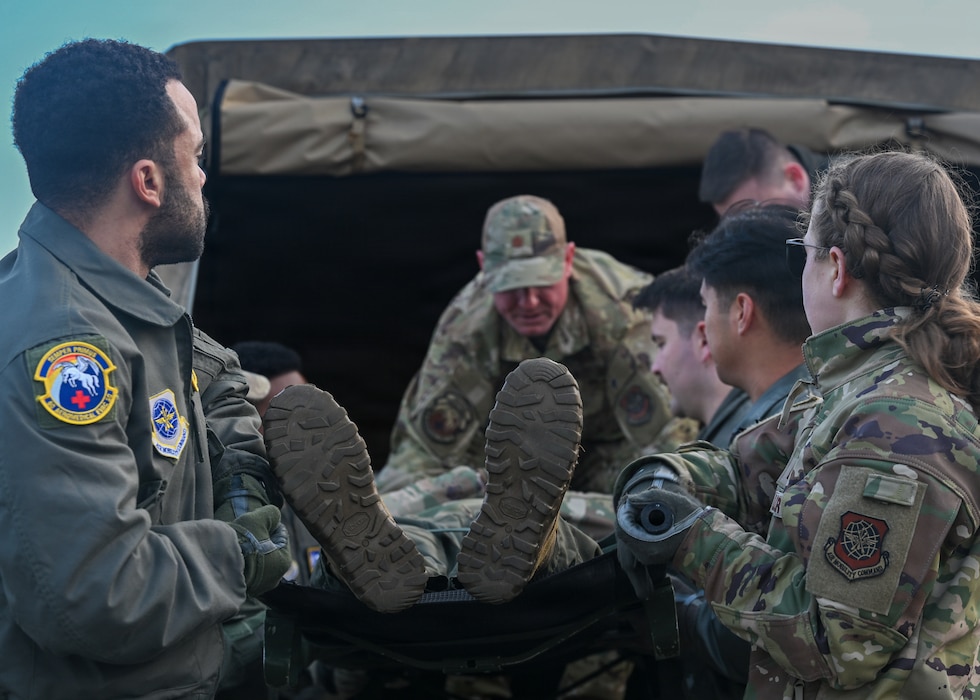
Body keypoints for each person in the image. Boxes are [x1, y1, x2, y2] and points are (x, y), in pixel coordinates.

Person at [617, 150, 980, 697]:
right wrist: (666, 479)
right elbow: (753, 472)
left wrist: (690, 538)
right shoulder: (860, 390)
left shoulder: (899, 421)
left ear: (835, 268)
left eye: (801, 256)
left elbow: (836, 645)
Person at [0, 39, 291, 698]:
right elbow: (94, 595)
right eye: (195, 156)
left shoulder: (124, 304)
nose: (203, 177)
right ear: (149, 181)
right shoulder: (67, 350)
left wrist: (239, 465)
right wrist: (240, 551)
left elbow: (213, 374)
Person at [376, 194, 682, 499]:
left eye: (542, 283)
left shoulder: (624, 313)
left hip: (610, 457)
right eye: (512, 287)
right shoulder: (466, 329)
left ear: (568, 260)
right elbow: (425, 453)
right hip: (507, 469)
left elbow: (668, 437)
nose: (529, 302)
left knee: (654, 487)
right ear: (483, 269)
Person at [632, 264, 751, 448]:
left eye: (661, 343)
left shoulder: (738, 450)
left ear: (704, 340)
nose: (655, 367)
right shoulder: (749, 433)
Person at [699, 127, 825, 216]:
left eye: (761, 216)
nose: (749, 232)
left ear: (795, 179)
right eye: (731, 225)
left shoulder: (842, 208)